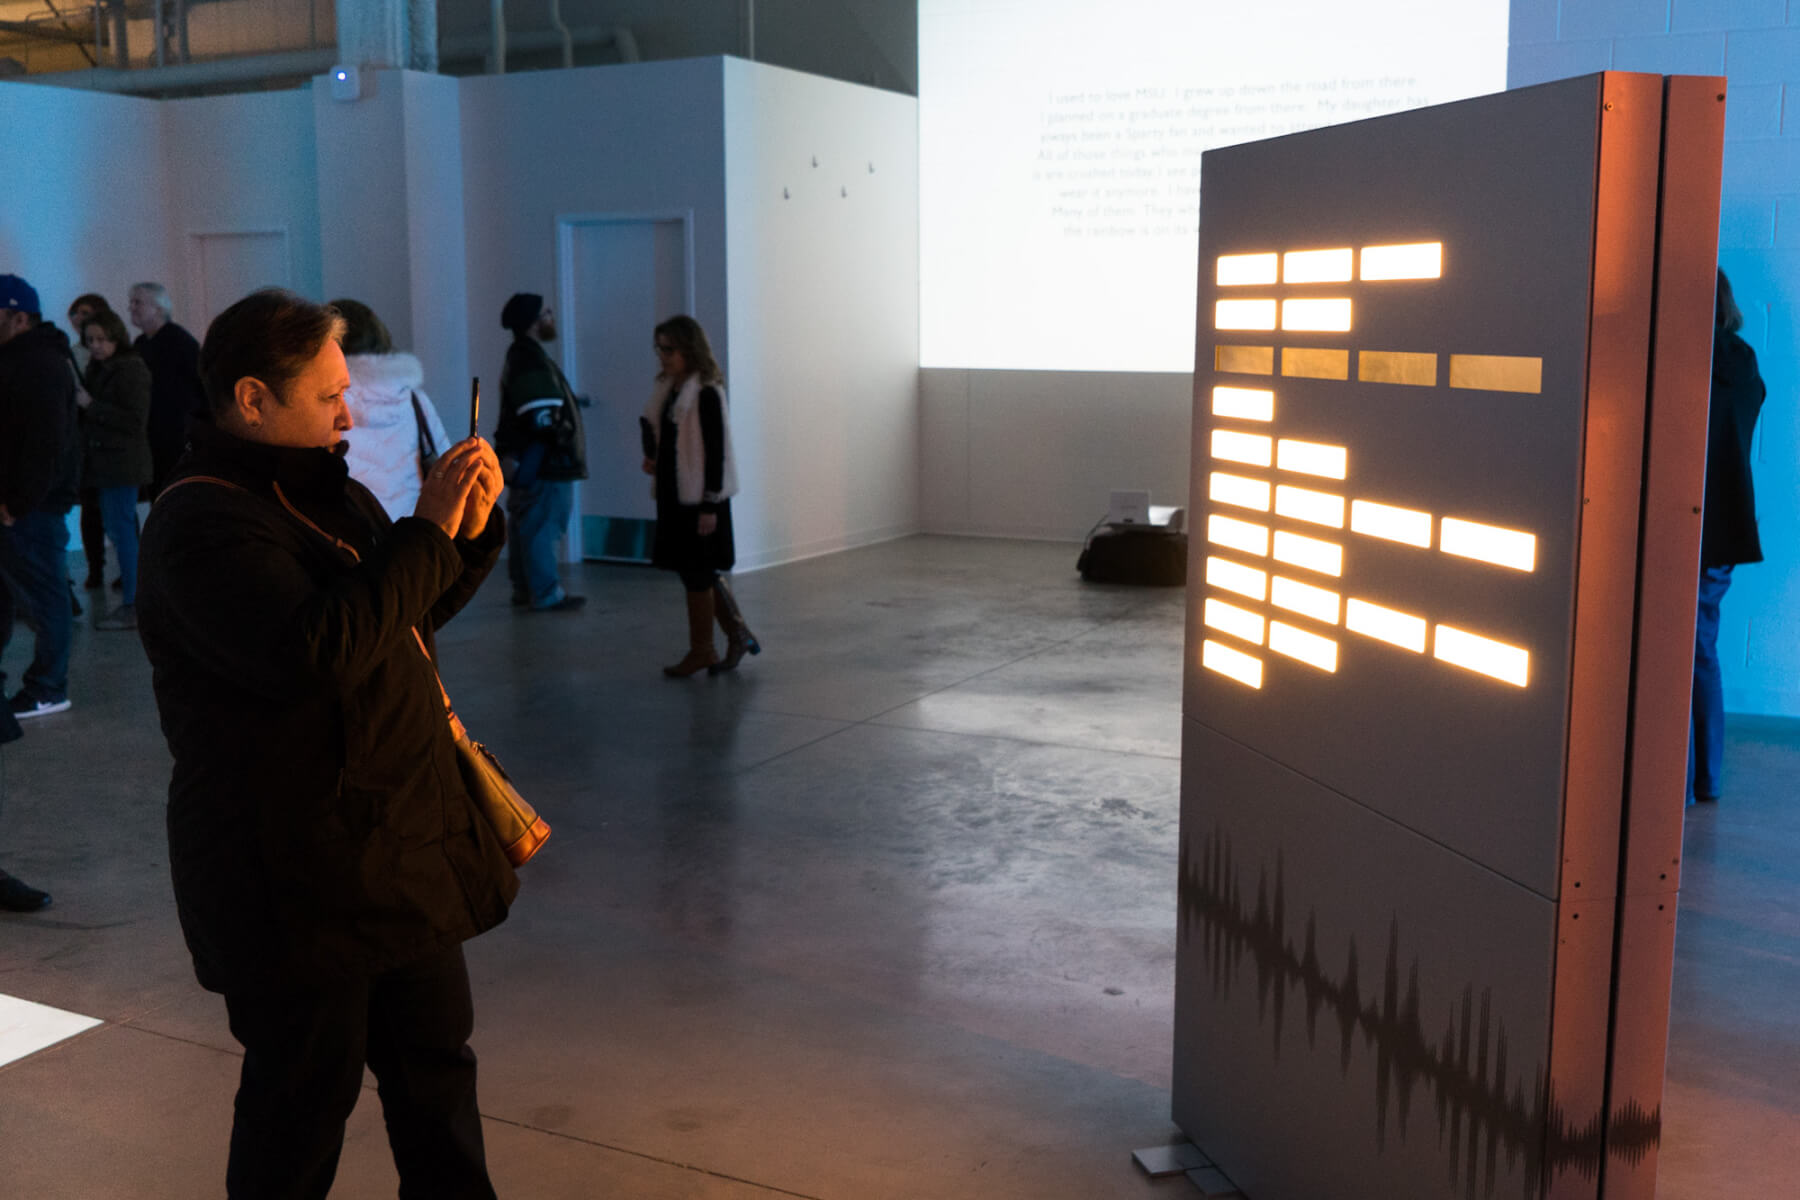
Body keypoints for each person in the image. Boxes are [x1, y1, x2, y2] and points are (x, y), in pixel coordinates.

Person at [137, 288, 517, 1199]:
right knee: (301, 1108)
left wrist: (468, 531)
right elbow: (317, 651)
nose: (350, 410)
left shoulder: (328, 488)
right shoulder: (199, 523)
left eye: (346, 389)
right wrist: (424, 528)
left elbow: (399, 620)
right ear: (252, 399)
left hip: (392, 853)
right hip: (292, 880)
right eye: (327, 396)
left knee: (439, 1085)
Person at [641, 315, 760, 677]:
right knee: (696, 570)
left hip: (700, 498)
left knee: (698, 571)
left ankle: (704, 650)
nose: (662, 356)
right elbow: (652, 424)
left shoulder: (706, 391)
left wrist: (709, 504)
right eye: (659, 348)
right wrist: (652, 454)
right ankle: (736, 634)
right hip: (675, 494)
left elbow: (716, 450)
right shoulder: (670, 387)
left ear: (689, 349)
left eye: (669, 349)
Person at [1690, 268, 1767, 805]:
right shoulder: (1744, 364)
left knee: (1685, 650)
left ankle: (1687, 779)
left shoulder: (1691, 367)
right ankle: (1704, 776)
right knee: (1702, 650)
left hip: (1688, 527)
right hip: (1723, 533)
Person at [0, 274, 80, 719]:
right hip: (18, 505)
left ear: (18, 316)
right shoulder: (19, 359)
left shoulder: (40, 365)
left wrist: (18, 503)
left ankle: (49, 687)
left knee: (46, 597)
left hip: (28, 508)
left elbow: (45, 443)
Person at [494, 292, 586, 612]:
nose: (551, 317)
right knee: (542, 527)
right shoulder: (529, 358)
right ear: (534, 322)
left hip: (529, 460)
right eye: (545, 312)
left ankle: (525, 589)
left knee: (526, 525)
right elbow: (539, 414)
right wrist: (557, 440)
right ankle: (546, 594)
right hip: (545, 461)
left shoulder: (521, 355)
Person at [330, 298, 453, 522]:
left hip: (352, 531)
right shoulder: (414, 398)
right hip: (412, 530)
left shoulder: (328, 401)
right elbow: (445, 461)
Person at [79, 309, 154, 631]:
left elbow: (134, 420)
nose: (95, 346)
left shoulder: (130, 369)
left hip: (121, 465)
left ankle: (135, 604)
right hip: (108, 465)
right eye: (90, 340)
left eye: (101, 339)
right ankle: (134, 602)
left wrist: (90, 406)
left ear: (114, 338)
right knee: (119, 531)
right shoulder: (102, 368)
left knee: (123, 534)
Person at [129, 281, 205, 495]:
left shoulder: (180, 342)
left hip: (176, 434)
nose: (131, 308)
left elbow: (200, 386)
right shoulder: (140, 343)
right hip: (152, 434)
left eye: (138, 302)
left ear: (159, 307)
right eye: (131, 302)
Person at [68, 293, 118, 592]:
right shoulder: (73, 352)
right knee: (90, 510)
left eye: (85, 312)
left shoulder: (116, 359)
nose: (78, 318)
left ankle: (127, 572)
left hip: (108, 444)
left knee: (118, 515)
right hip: (84, 444)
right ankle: (96, 568)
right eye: (75, 312)